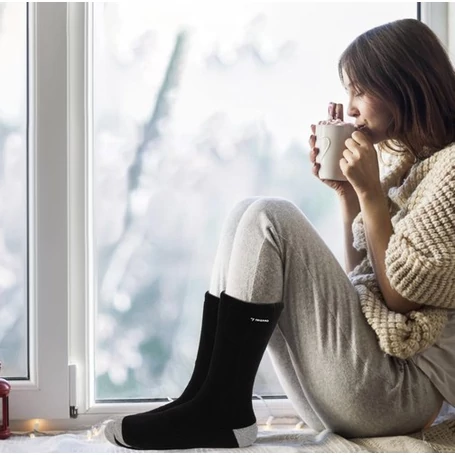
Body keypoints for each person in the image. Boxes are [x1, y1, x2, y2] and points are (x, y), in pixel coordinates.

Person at [105, 18, 455, 450]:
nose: (350, 108)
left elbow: (403, 297)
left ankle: (219, 408)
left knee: (272, 215)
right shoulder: (413, 170)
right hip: (369, 392)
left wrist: (369, 193)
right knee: (243, 215)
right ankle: (205, 395)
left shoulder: (451, 171)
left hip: (401, 394)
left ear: (406, 85)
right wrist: (349, 195)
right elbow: (369, 279)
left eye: (360, 91)